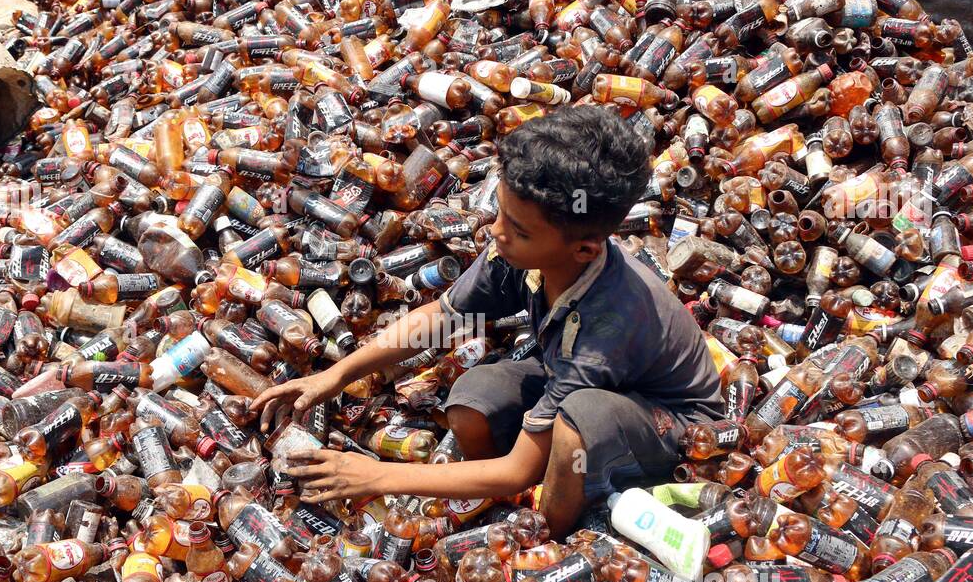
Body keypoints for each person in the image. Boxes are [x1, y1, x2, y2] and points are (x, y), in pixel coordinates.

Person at [250, 105, 724, 538]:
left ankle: (553, 533)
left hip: (670, 422)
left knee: (578, 424)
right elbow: (442, 319)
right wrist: (335, 375)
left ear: (583, 249)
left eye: (516, 229)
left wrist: (377, 476)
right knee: (471, 400)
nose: (495, 231)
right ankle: (505, 498)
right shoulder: (521, 251)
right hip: (579, 380)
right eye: (499, 211)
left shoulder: (608, 325)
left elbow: (518, 468)